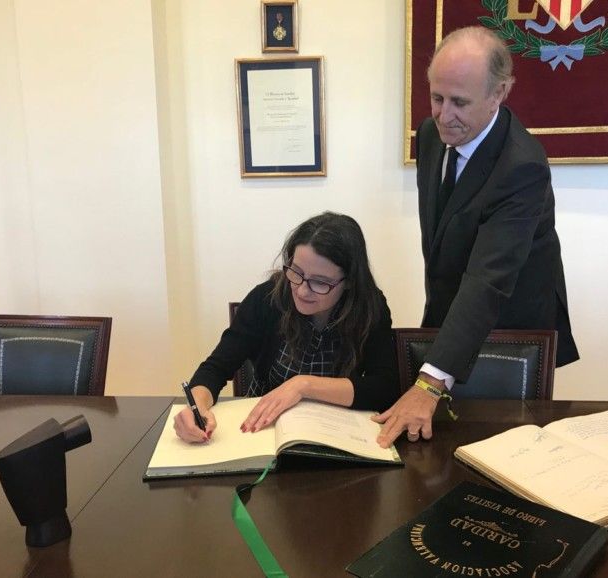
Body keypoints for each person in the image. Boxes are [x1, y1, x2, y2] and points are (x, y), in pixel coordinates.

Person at [374, 26, 578, 448]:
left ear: (498, 93)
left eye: (460, 102)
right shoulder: (431, 136)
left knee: (504, 448)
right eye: (436, 98)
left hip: (512, 329)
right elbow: (444, 235)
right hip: (453, 315)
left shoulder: (522, 167)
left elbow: (487, 281)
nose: (444, 115)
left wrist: (429, 383)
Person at [174, 212, 398, 443]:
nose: (301, 290)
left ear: (350, 281)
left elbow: (385, 387)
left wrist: (304, 385)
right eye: (296, 272)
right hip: (264, 430)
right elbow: (216, 367)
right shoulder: (266, 298)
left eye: (320, 282)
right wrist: (196, 406)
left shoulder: (369, 306)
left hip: (337, 431)